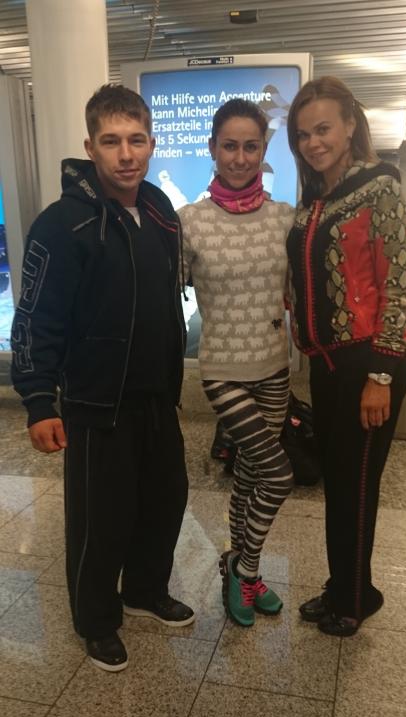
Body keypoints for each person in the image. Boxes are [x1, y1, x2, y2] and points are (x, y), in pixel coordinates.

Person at [10, 84, 194, 672]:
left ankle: (143, 590)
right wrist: (40, 401)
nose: (126, 154)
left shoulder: (159, 210)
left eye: (136, 140)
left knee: (164, 500)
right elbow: (35, 318)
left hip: (156, 395)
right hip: (95, 401)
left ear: (152, 143)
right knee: (100, 520)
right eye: (111, 141)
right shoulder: (62, 224)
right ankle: (95, 620)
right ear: (90, 147)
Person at [286, 76, 406, 636]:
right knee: (339, 484)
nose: (313, 143)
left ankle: (354, 600)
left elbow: (398, 286)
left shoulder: (379, 187)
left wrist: (382, 374)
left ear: (350, 126)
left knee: (357, 486)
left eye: (323, 129)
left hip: (369, 363)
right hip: (328, 364)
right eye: (303, 134)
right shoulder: (315, 199)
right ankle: (345, 586)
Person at [178, 99, 294, 627]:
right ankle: (245, 570)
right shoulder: (190, 222)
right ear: (213, 148)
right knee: (278, 473)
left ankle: (241, 571)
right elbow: (161, 290)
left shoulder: (284, 218)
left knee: (250, 476)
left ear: (264, 150)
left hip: (274, 365)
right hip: (223, 370)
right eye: (230, 146)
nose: (240, 157)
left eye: (251, 146)